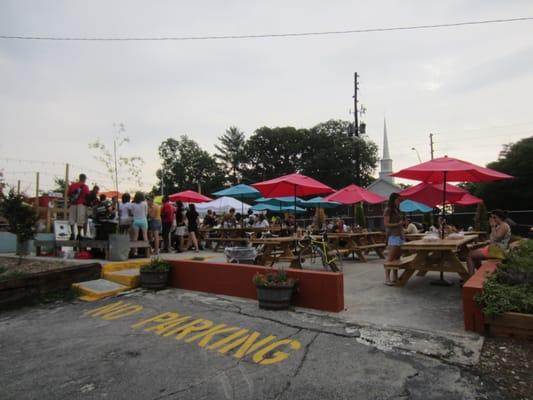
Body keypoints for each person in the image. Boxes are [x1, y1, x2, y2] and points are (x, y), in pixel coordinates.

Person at [467, 209, 511, 274]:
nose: (492, 219)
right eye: (491, 217)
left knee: (470, 255)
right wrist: (484, 242)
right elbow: (494, 239)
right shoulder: (499, 225)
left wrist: (492, 226)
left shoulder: (503, 225)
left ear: (500, 218)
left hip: (497, 251)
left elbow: (496, 238)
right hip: (495, 248)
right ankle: (481, 273)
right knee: (474, 253)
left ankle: (471, 277)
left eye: (494, 217)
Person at [384, 193, 404, 286]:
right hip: (393, 236)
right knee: (391, 258)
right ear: (393, 200)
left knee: (397, 258)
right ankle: (387, 278)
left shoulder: (397, 210)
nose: (400, 202)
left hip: (400, 235)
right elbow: (386, 224)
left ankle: (395, 277)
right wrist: (398, 224)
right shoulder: (388, 210)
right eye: (398, 200)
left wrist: (402, 223)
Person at [67, 173, 90, 240]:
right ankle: (79, 234)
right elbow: (87, 196)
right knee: (80, 219)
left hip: (73, 203)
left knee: (72, 219)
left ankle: (72, 233)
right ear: (84, 179)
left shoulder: (73, 185)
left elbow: (68, 194)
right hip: (81, 204)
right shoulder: (85, 187)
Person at [130, 192, 148, 256]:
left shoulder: (132, 204)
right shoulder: (145, 203)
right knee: (145, 236)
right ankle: (147, 252)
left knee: (135, 237)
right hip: (143, 220)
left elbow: (132, 213)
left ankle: (134, 251)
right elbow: (146, 213)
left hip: (135, 221)